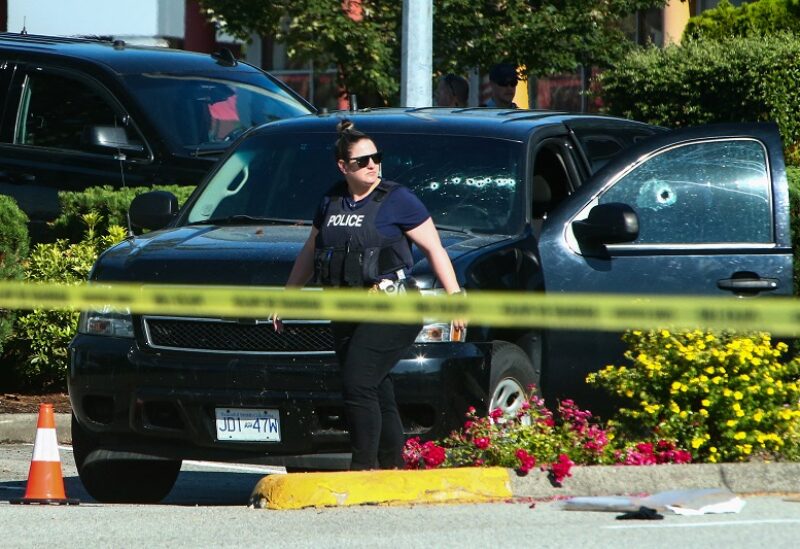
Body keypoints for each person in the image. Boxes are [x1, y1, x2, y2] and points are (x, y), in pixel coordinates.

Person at [277, 119, 466, 470]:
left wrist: (455, 297)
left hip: (393, 307)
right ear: (343, 166)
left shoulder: (398, 200)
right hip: (347, 308)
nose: (372, 165)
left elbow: (436, 248)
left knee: (358, 382)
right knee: (378, 388)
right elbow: (310, 250)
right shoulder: (331, 200)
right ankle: (391, 466)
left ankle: (362, 468)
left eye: (376, 158)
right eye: (363, 161)